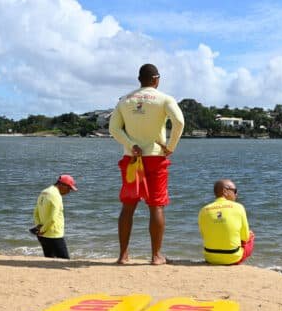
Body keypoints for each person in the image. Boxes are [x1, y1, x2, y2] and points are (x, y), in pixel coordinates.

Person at [109, 63, 185, 265]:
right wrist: (170, 146)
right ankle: (156, 255)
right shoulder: (164, 99)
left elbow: (113, 129)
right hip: (155, 157)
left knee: (128, 206)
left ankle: (123, 255)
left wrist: (131, 144)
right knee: (156, 205)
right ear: (156, 79)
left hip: (132, 158)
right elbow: (179, 122)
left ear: (139, 79)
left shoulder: (124, 100)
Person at [198, 179, 255, 265]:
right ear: (225, 191)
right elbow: (245, 237)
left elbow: (204, 235)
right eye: (235, 191)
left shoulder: (203, 210)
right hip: (232, 258)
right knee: (250, 236)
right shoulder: (239, 207)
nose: (236, 194)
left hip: (210, 257)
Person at [31, 174, 77, 259]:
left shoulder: (44, 192)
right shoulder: (56, 196)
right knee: (65, 260)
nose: (69, 191)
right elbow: (53, 218)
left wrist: (39, 228)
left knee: (49, 260)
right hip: (54, 235)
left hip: (42, 235)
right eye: (69, 188)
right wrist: (43, 230)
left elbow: (36, 212)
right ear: (62, 185)